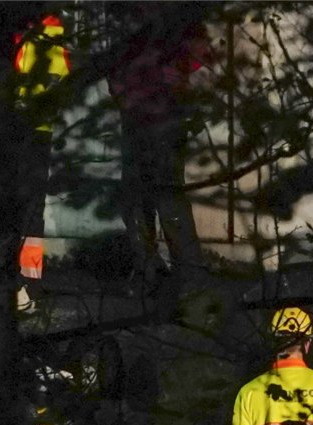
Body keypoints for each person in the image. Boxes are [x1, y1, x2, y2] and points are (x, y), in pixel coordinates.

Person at [108, 4, 209, 289]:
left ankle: (185, 275)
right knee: (141, 196)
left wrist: (170, 76)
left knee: (165, 194)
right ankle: (154, 270)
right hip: (139, 111)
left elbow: (199, 49)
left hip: (163, 111)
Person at [0, 12, 69, 313]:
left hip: (27, 129)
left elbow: (55, 79)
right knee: (10, 206)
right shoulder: (25, 25)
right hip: (14, 129)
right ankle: (12, 283)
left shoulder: (47, 27)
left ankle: (25, 285)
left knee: (25, 207)